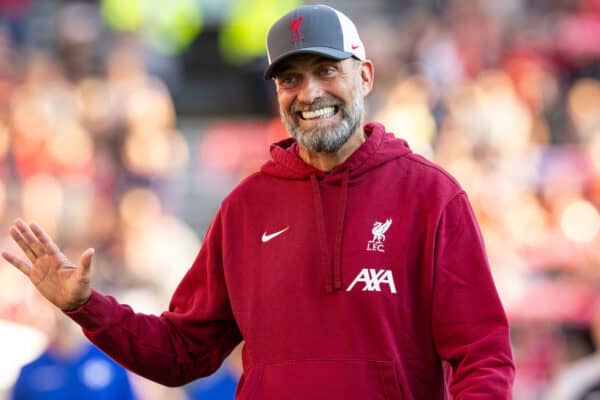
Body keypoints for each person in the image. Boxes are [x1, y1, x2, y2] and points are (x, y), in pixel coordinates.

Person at [2, 4, 515, 399]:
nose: (309, 92)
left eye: (326, 70)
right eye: (291, 78)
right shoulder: (245, 208)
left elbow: (483, 358)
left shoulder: (432, 197)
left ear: (365, 75)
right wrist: (87, 308)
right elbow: (183, 350)